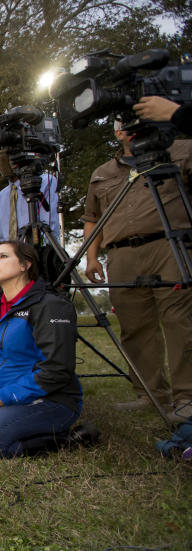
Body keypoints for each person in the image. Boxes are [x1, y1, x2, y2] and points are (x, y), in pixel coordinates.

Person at [82, 119, 192, 423]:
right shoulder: (102, 173)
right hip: (121, 254)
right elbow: (93, 218)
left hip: (170, 245)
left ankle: (187, 397)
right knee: (135, 326)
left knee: (179, 322)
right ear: (116, 132)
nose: (128, 127)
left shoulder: (182, 150)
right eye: (122, 123)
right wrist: (92, 259)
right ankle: (150, 394)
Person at [0, 241, 83, 458]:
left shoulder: (49, 306)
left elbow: (57, 369)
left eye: (2, 256)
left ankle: (69, 439)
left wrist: (5, 396)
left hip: (51, 398)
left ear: (25, 265)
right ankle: (6, 415)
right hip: (2, 394)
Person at [0, 150, 61, 242]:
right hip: (11, 253)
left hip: (36, 250)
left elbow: (49, 224)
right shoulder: (2, 196)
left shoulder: (44, 181)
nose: (0, 160)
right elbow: (4, 235)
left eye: (3, 155)